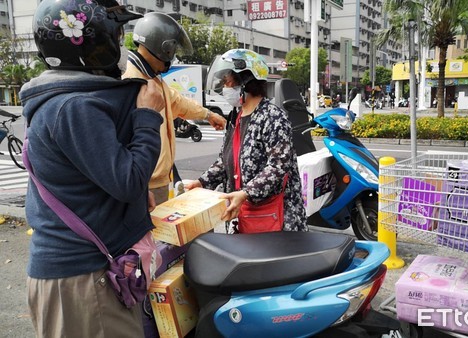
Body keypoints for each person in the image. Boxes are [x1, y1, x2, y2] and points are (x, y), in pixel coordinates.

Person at [19, 1, 165, 337]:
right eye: (115, 33)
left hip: (81, 275)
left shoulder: (68, 98)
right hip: (82, 279)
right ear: (91, 41)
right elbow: (128, 180)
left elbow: (94, 181)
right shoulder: (74, 107)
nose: (120, 42)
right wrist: (146, 118)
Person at [186, 49, 307, 232]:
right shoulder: (237, 116)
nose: (225, 88)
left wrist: (245, 193)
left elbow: (278, 166)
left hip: (277, 219)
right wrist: (202, 182)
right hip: (243, 213)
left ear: (246, 81)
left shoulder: (272, 117)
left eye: (227, 82)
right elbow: (226, 159)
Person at [122, 12, 227, 204]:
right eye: (174, 48)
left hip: (158, 178)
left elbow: (178, 102)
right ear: (164, 48)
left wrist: (208, 114)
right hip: (146, 183)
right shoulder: (132, 81)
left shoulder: (152, 78)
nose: (174, 55)